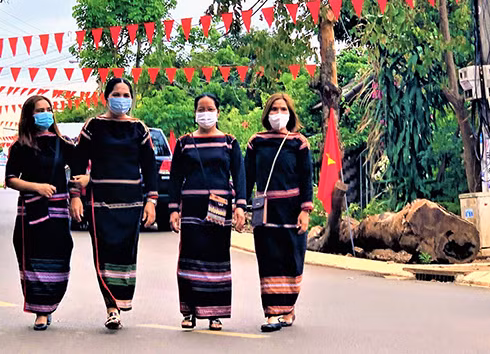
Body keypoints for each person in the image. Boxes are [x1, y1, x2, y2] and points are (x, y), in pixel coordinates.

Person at [70, 77, 158, 330]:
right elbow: (78, 162)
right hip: (100, 203)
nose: (122, 99)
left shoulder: (139, 129)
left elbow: (150, 167)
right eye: (116, 94)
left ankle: (120, 301)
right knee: (104, 253)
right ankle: (111, 307)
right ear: (106, 97)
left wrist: (151, 201)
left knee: (126, 254)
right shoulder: (93, 126)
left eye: (126, 94)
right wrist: (76, 195)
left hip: (131, 203)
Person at [5, 95, 89, 330]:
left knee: (59, 257)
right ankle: (40, 312)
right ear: (29, 116)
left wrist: (76, 196)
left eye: (48, 109)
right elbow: (10, 179)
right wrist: (36, 187)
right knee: (31, 259)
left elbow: (80, 171)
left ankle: (50, 304)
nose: (45, 113)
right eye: (39, 110)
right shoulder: (21, 146)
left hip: (58, 213)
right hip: (30, 212)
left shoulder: (64, 145)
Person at [169, 93, 246, 331]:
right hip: (191, 210)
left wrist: (240, 206)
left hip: (219, 210)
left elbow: (239, 175)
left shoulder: (229, 142)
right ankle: (189, 311)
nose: (205, 113)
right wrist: (174, 209)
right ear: (195, 113)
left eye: (210, 108)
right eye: (201, 109)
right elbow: (175, 179)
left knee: (217, 259)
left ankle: (215, 313)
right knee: (189, 259)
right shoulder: (183, 143)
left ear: (218, 112)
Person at [245, 93, 313, 332]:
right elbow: (248, 177)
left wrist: (305, 210)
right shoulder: (256, 142)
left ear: (290, 114)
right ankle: (272, 313)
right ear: (267, 114)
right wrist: (242, 207)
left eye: (283, 109)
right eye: (274, 109)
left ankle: (288, 308)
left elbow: (306, 178)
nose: (278, 114)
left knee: (291, 260)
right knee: (269, 260)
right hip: (266, 211)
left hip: (292, 210)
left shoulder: (299, 143)